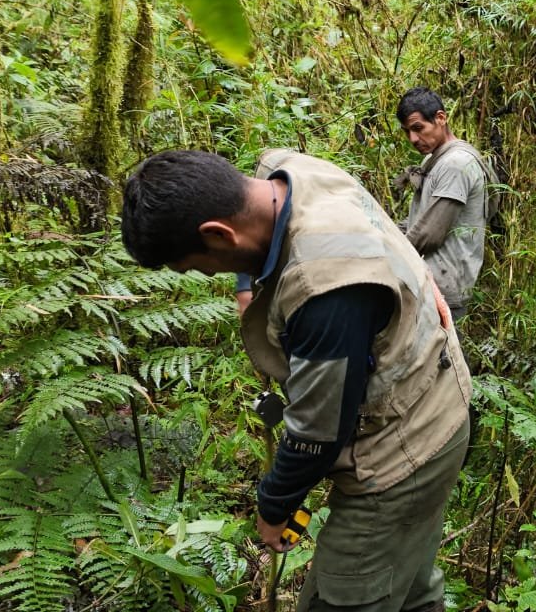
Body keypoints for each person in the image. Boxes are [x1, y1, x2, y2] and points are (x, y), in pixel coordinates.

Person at [121, 149, 471, 612]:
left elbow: (318, 429)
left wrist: (273, 506)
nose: (206, 274)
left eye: (195, 265)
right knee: (407, 583)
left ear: (217, 234)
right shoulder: (285, 172)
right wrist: (248, 286)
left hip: (403, 449)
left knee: (349, 594)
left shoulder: (327, 290)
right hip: (440, 398)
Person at [393, 87, 492, 322]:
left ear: (440, 118)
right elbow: (419, 220)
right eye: (407, 132)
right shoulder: (435, 159)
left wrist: (386, 256)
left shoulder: (455, 164)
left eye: (418, 128)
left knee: (442, 356)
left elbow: (428, 234)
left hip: (442, 290)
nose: (413, 139)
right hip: (430, 284)